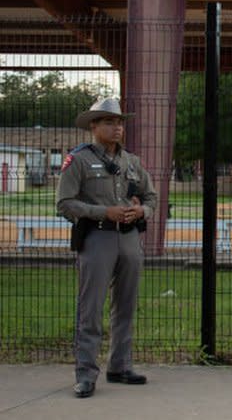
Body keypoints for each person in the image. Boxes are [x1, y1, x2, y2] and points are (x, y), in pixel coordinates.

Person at [56, 98, 158, 398]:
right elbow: (64, 203)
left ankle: (119, 365)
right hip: (97, 238)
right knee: (91, 307)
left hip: (128, 238)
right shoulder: (79, 160)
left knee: (125, 304)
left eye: (120, 122)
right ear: (94, 126)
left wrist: (141, 212)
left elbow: (151, 197)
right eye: (110, 122)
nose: (117, 128)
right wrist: (104, 213)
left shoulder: (132, 162)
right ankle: (86, 374)